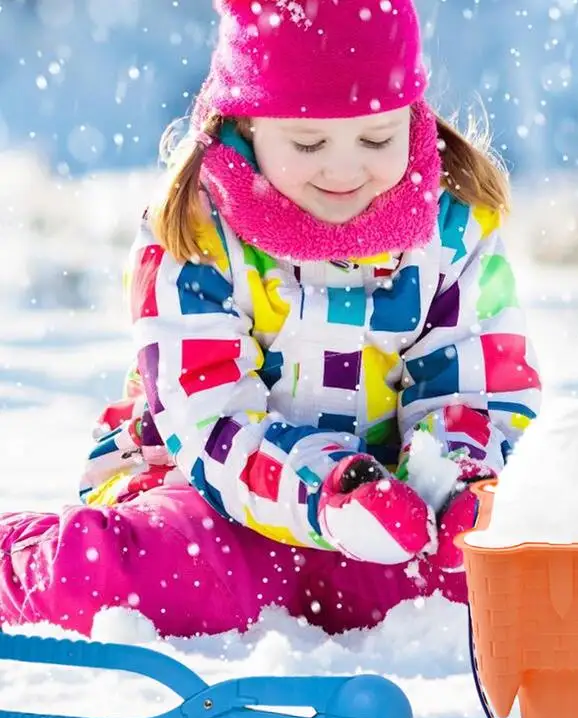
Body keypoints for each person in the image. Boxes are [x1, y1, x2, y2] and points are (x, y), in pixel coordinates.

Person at [0, 0, 542, 639]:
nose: (344, 169)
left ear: (415, 118)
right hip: (215, 504)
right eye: (309, 142)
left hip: (389, 525)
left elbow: (474, 385)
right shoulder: (200, 234)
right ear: (248, 121)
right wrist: (330, 494)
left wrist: (457, 488)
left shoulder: (452, 231)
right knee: (115, 580)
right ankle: (24, 558)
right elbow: (213, 418)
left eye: (377, 138)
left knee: (499, 580)